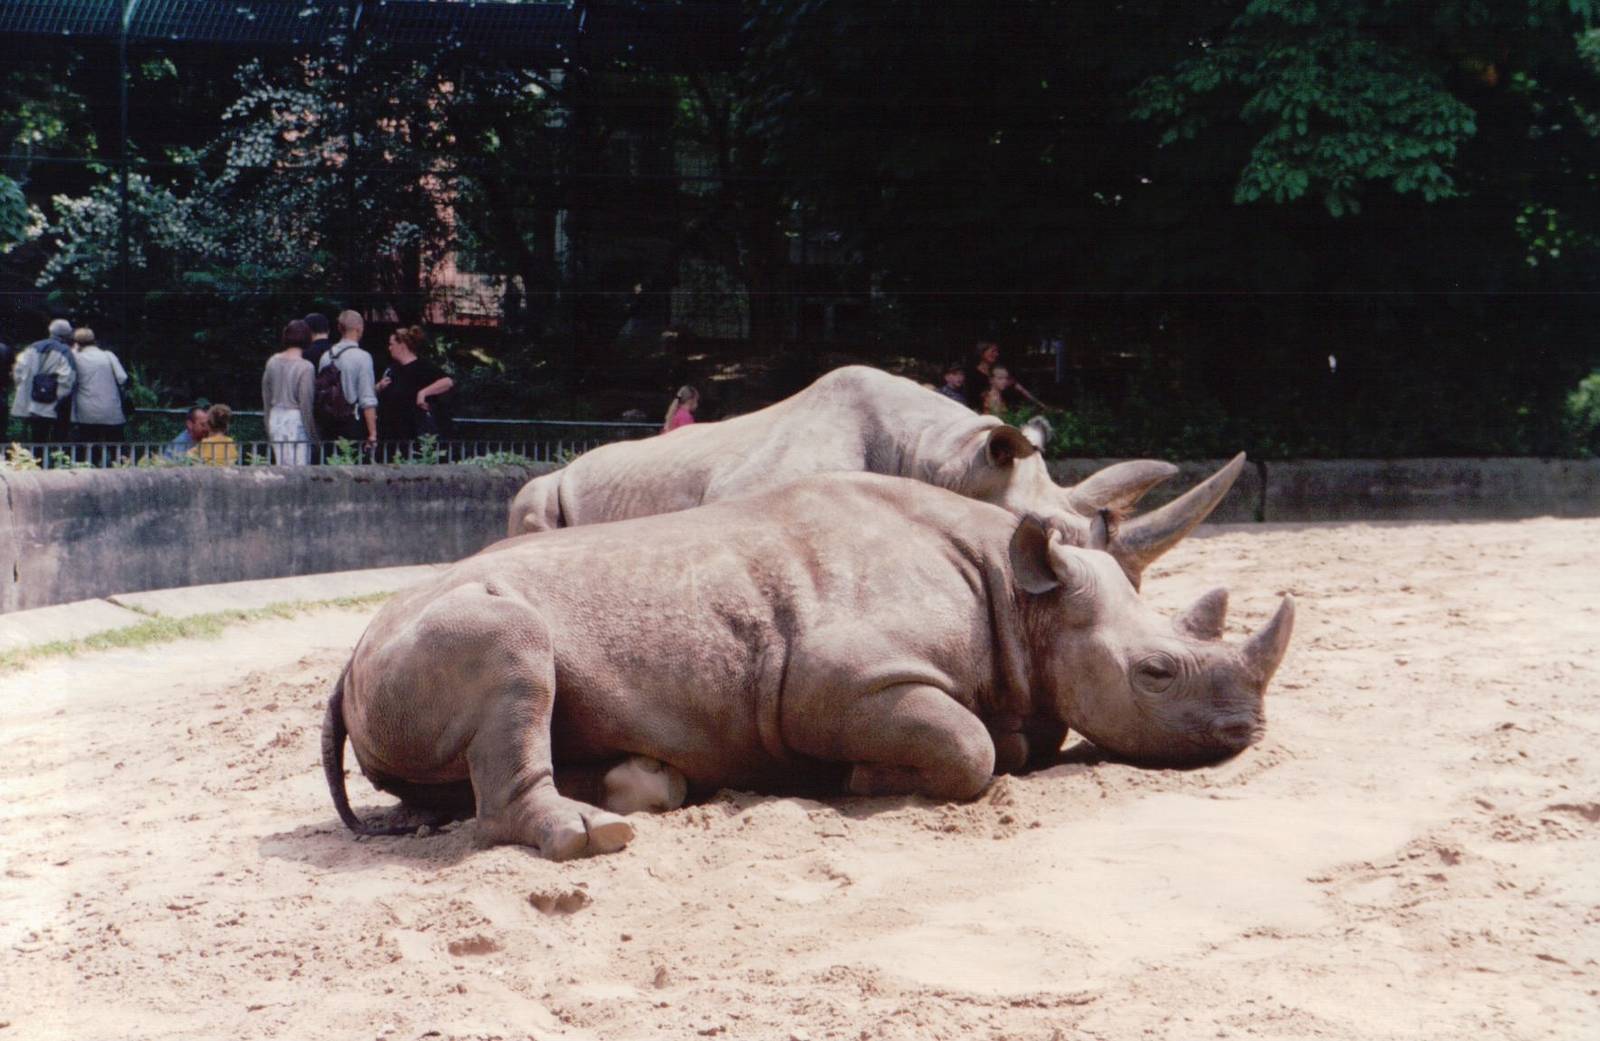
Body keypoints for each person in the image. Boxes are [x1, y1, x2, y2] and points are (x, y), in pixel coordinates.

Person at [375, 325, 453, 457]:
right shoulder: (391, 369)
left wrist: (423, 393)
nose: (389, 348)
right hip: (389, 432)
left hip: (412, 431)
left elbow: (447, 382)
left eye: (391, 344)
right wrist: (378, 387)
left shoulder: (424, 366)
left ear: (402, 346)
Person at [318, 309, 378, 452]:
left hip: (327, 423)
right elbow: (367, 398)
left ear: (339, 328)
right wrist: (373, 433)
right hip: (352, 423)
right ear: (360, 328)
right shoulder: (363, 357)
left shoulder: (326, 356)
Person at [10, 318, 77, 443]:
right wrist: (59, 397)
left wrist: (23, 390)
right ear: (67, 334)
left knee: (37, 439)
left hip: (32, 402)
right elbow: (68, 377)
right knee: (58, 439)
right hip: (54, 404)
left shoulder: (32, 347)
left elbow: (18, 371)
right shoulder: (65, 350)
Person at [263, 319, 318, 466]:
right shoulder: (306, 367)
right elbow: (306, 403)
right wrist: (313, 435)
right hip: (295, 419)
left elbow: (266, 396)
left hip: (275, 416)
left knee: (282, 467)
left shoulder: (272, 362)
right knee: (299, 469)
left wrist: (268, 423)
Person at [68, 327, 129, 443]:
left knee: (89, 449)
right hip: (111, 410)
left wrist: (73, 351)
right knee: (116, 447)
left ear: (76, 343)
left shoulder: (76, 358)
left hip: (85, 412)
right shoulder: (108, 355)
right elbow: (122, 378)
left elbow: (69, 379)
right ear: (94, 340)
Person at [964, 340, 1043, 411]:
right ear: (982, 352)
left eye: (997, 351)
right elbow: (971, 400)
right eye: (993, 351)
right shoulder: (973, 374)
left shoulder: (999, 371)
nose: (996, 354)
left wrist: (1041, 405)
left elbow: (1020, 389)